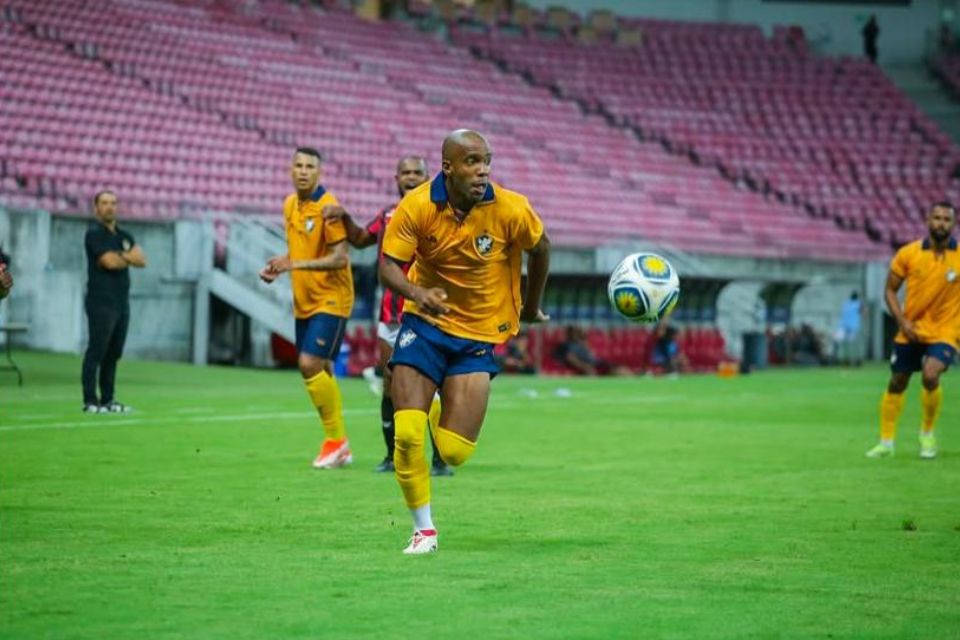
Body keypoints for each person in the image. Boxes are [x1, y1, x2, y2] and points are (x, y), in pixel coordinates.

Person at [379, 129, 550, 554]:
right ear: (448, 167)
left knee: (454, 452)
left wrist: (529, 308)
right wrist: (419, 295)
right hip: (424, 325)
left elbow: (542, 248)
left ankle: (436, 402)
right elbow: (388, 267)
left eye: (486, 160)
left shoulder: (511, 207)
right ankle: (424, 530)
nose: (482, 170)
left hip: (477, 334)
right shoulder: (417, 205)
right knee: (408, 435)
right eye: (472, 161)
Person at [323, 155, 452, 477]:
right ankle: (392, 457)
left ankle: (439, 459)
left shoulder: (440, 214)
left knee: (432, 387)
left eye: (417, 173)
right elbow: (360, 239)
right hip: (391, 316)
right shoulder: (387, 216)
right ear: (396, 179)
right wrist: (345, 215)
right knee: (390, 384)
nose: (410, 178)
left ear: (427, 177)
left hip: (426, 313)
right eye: (405, 173)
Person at [259, 147, 355, 469]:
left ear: (319, 172)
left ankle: (335, 441)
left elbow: (341, 257)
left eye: (309, 166)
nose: (302, 171)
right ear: (290, 169)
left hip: (333, 298)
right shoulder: (289, 204)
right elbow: (297, 250)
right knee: (322, 368)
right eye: (298, 165)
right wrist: (281, 265)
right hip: (305, 300)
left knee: (309, 362)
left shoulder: (328, 207)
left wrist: (295, 264)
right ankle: (341, 445)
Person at [867, 202, 960, 460]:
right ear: (928, 220)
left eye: (946, 219)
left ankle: (927, 434)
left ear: (953, 224)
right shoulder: (908, 253)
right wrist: (902, 322)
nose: (941, 223)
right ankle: (886, 442)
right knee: (897, 382)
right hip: (911, 329)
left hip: (946, 330)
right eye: (937, 218)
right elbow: (889, 291)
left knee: (930, 375)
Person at [81, 190, 147, 413]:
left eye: (113, 203)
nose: (110, 207)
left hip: (122, 302)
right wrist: (126, 257)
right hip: (100, 301)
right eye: (105, 203)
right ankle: (90, 400)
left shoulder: (125, 235)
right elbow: (108, 262)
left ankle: (108, 399)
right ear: (96, 208)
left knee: (114, 352)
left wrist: (121, 256)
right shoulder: (93, 234)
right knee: (97, 350)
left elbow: (141, 259)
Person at [556, 325, 630, 376]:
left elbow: (590, 353)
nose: (576, 333)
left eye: (577, 331)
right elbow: (570, 358)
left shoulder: (581, 343)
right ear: (569, 333)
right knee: (618, 371)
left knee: (621, 368)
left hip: (597, 362)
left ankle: (633, 379)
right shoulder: (567, 345)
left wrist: (582, 340)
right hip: (590, 365)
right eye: (574, 331)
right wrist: (585, 367)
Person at [837, 291, 863, 366]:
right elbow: (864, 312)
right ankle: (856, 360)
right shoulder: (858, 303)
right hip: (853, 327)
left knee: (845, 345)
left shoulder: (846, 303)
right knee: (854, 345)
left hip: (844, 326)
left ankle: (846, 360)